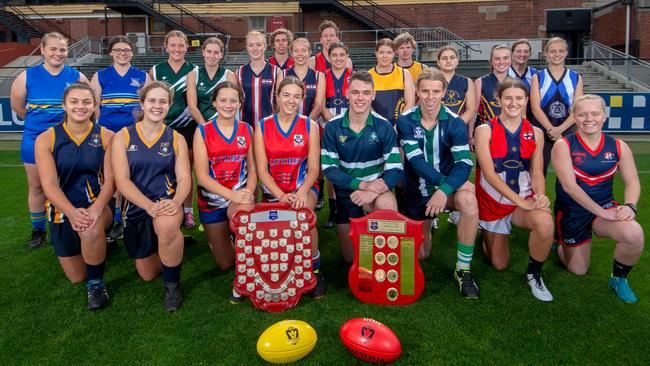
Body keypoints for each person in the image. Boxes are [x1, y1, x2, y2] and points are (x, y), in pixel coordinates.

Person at [552, 94, 643, 303]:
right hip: (572, 212)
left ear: (604, 116)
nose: (588, 118)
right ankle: (558, 242)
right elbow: (570, 187)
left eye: (595, 113)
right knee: (578, 270)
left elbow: (633, 182)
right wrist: (602, 213)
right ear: (574, 117)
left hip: (604, 207)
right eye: (582, 114)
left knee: (634, 233)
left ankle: (619, 279)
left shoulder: (619, 146)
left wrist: (630, 206)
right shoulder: (563, 145)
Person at [396, 69, 479, 298]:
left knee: (469, 202)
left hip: (448, 190)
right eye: (425, 91)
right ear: (417, 92)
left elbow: (463, 164)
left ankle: (463, 269)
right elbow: (416, 161)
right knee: (422, 254)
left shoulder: (454, 123)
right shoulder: (405, 120)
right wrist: (443, 186)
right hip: (419, 190)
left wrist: (444, 191)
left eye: (435, 91)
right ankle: (429, 222)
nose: (430, 97)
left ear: (444, 92)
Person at [111, 81, 191, 312]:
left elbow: (185, 179)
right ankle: (170, 243)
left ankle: (173, 287)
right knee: (147, 274)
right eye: (152, 101)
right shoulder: (123, 137)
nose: (158, 106)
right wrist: (147, 206)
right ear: (143, 104)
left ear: (169, 106)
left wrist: (175, 203)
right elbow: (122, 181)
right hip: (138, 207)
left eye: (163, 101)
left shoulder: (176, 138)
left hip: (166, 203)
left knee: (166, 226)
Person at [34, 82, 114, 310]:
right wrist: (71, 213)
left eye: (87, 102)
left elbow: (111, 181)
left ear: (94, 105)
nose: (81, 106)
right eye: (74, 101)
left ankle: (97, 285)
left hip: (97, 206)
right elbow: (48, 184)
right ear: (64, 105)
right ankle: (93, 242)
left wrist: (96, 210)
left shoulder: (107, 136)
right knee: (76, 276)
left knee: (90, 229)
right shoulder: (46, 139)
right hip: (62, 210)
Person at [474, 78, 554, 302]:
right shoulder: (484, 130)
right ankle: (485, 231)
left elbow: (537, 172)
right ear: (498, 100)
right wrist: (521, 201)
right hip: (493, 201)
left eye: (519, 98)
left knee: (545, 222)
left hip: (523, 199)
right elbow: (489, 174)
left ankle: (534, 274)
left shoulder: (535, 132)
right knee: (499, 264)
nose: (513, 103)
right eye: (507, 97)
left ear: (526, 101)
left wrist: (538, 196)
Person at [10, 32, 88, 249]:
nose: (58, 53)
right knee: (36, 186)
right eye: (52, 49)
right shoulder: (26, 76)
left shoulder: (77, 78)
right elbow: (18, 107)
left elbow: (86, 107)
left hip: (68, 140)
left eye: (62, 49)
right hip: (34, 139)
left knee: (70, 184)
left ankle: (70, 223)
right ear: (43, 50)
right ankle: (38, 230)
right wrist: (40, 128)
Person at [254, 76, 326, 299]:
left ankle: (314, 270)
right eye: (286, 95)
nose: (291, 100)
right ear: (276, 97)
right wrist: (280, 195)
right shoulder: (263, 125)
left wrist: (301, 192)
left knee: (305, 217)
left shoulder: (310, 125)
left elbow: (314, 168)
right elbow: (262, 170)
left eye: (297, 96)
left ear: (303, 99)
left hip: (304, 187)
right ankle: (274, 268)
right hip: (273, 191)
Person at [321, 71, 402, 263]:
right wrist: (362, 186)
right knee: (351, 259)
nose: (360, 98)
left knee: (387, 204)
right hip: (347, 194)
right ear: (347, 94)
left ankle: (387, 258)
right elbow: (329, 169)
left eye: (366, 93)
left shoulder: (384, 127)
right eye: (355, 92)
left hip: (377, 192)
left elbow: (395, 168)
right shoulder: (333, 126)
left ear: (373, 95)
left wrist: (372, 191)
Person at [194, 81, 257, 302]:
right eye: (223, 100)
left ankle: (238, 235)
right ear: (214, 102)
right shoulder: (202, 131)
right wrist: (231, 195)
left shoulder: (247, 129)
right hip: (211, 202)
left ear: (240, 103)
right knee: (225, 264)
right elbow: (201, 176)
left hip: (239, 198)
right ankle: (219, 240)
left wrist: (247, 193)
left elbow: (253, 168)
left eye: (233, 100)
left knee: (244, 220)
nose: (228, 105)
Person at [90, 35, 148, 243]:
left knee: (129, 177)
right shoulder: (100, 75)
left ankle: (124, 219)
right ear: (111, 52)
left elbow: (146, 107)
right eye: (118, 50)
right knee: (109, 177)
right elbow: (93, 104)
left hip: (132, 135)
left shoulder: (142, 76)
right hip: (108, 134)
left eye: (126, 50)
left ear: (132, 53)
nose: (122, 53)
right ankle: (112, 218)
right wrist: (102, 128)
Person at [149, 30, 197, 228]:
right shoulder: (156, 70)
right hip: (163, 128)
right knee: (163, 170)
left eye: (181, 45)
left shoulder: (194, 70)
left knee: (187, 171)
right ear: (166, 46)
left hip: (187, 128)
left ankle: (188, 212)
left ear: (186, 47)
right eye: (173, 45)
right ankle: (164, 207)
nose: (177, 49)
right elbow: (148, 100)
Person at [531, 37, 583, 175]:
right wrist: (551, 130)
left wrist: (560, 130)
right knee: (538, 171)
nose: (557, 54)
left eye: (561, 51)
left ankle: (563, 198)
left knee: (567, 173)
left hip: (567, 131)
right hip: (543, 131)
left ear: (566, 52)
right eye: (553, 51)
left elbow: (577, 109)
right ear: (546, 54)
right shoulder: (538, 77)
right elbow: (535, 108)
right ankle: (538, 196)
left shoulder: (576, 77)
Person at [320, 42, 353, 228]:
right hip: (329, 123)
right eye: (335, 55)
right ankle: (333, 210)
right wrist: (334, 122)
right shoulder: (323, 76)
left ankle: (349, 203)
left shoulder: (353, 75)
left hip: (350, 124)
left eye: (342, 54)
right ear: (329, 57)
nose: (338, 58)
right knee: (331, 167)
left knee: (348, 164)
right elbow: (321, 103)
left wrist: (345, 123)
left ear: (347, 56)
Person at [237, 31, 283, 127]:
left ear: (265, 47)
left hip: (269, 125)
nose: (255, 49)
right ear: (246, 47)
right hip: (245, 125)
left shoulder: (276, 71)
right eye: (251, 45)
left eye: (258, 45)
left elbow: (281, 100)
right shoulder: (239, 72)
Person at [187, 36, 237, 125]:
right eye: (209, 52)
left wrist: (221, 127)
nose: (212, 56)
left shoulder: (229, 75)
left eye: (216, 52)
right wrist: (205, 127)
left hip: (224, 125)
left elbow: (233, 105)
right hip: (201, 125)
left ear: (221, 55)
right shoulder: (193, 75)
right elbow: (192, 107)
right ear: (203, 52)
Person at [368, 38, 415, 125]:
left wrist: (398, 125)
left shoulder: (404, 74)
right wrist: (381, 125)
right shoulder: (369, 76)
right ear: (376, 53)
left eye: (389, 52)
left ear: (394, 53)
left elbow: (410, 103)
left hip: (400, 125)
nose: (385, 56)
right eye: (381, 52)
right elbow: (367, 105)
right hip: (376, 125)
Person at [472, 45, 512, 138]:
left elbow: (522, 113)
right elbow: (473, 112)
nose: (501, 62)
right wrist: (470, 135)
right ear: (491, 61)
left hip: (510, 132)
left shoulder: (516, 83)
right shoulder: (480, 82)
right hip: (486, 132)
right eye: (497, 58)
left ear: (511, 61)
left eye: (505, 58)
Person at [285, 38, 326, 122]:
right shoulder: (283, 74)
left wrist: (305, 123)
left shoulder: (319, 76)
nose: (300, 54)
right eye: (296, 51)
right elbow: (280, 102)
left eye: (304, 50)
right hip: (288, 123)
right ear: (291, 54)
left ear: (309, 53)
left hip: (310, 125)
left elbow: (318, 105)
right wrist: (293, 123)